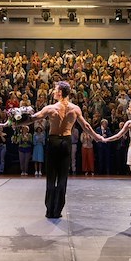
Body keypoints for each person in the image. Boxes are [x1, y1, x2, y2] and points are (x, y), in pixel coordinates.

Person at [28, 81, 104, 219]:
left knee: (51, 177)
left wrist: (14, 121)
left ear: (60, 92)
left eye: (55, 90)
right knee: (62, 177)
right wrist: (96, 136)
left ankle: (49, 210)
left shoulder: (51, 108)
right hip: (66, 142)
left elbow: (33, 118)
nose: (53, 92)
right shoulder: (75, 109)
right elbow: (85, 125)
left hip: (53, 140)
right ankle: (57, 211)